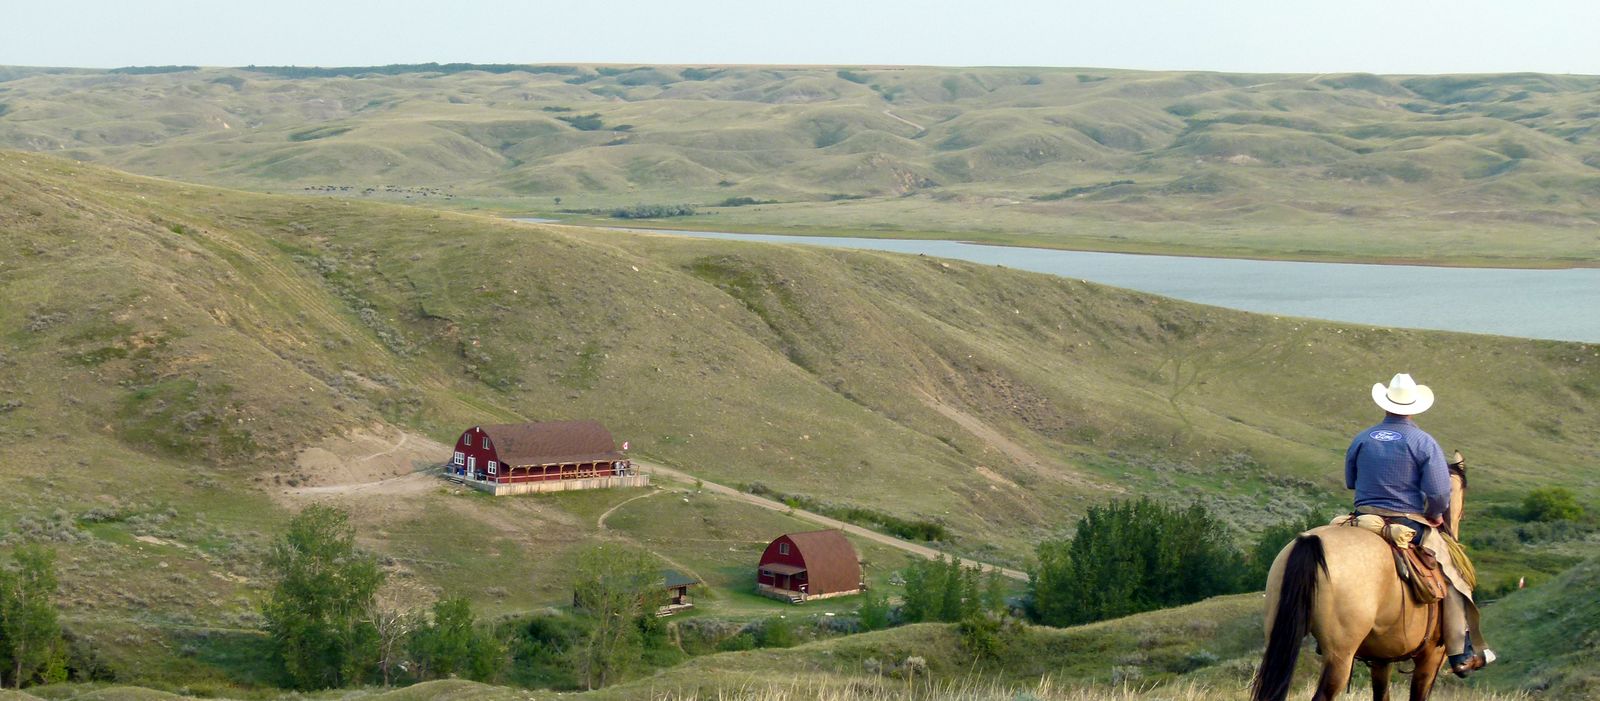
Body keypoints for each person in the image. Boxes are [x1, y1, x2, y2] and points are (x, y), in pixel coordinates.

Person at [1345, 373, 1493, 677]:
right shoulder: (1424, 442)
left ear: (1385, 404)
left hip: (1362, 520)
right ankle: (1458, 652)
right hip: (1406, 520)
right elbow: (1439, 494)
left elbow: (1350, 481)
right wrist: (1437, 514)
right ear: (1413, 407)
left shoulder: (1362, 437)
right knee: (1453, 575)